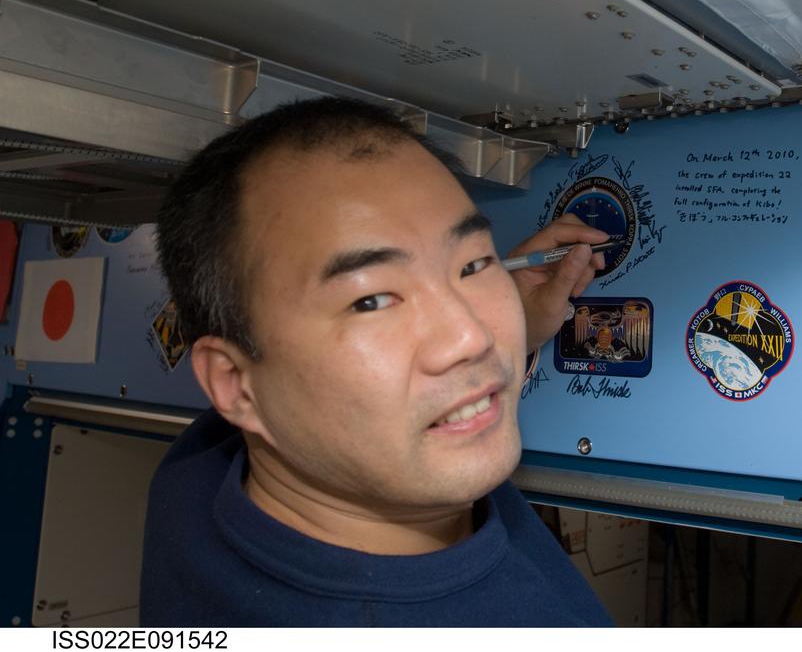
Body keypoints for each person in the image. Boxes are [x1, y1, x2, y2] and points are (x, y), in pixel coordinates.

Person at [139, 97, 613, 627]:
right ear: (235, 385)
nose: (472, 336)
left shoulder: (199, 470)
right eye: (372, 300)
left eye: (474, 264)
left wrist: (519, 326)